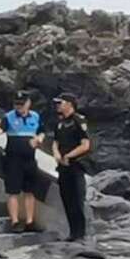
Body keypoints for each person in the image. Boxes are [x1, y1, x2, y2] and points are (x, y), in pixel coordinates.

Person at [0, 91, 45, 233]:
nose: (19, 107)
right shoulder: (9, 117)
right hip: (13, 159)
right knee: (13, 191)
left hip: (29, 159)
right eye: (17, 104)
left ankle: (29, 221)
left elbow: (42, 131)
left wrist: (39, 139)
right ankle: (15, 221)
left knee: (30, 191)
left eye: (22, 104)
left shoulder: (35, 116)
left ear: (28, 103)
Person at [52, 92, 91, 242]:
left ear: (69, 104)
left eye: (60, 103)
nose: (57, 106)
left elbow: (86, 144)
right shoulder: (60, 122)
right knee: (67, 200)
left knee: (77, 199)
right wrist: (56, 153)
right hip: (62, 167)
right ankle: (72, 232)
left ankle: (80, 233)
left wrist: (69, 155)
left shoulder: (78, 120)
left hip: (76, 165)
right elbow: (55, 141)